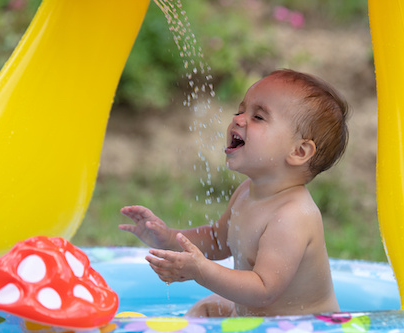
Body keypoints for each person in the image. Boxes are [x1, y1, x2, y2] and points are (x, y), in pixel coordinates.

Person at [119, 69, 349, 317]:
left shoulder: (293, 216)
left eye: (258, 117)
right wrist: (167, 238)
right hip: (259, 322)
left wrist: (201, 271)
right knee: (206, 308)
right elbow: (218, 240)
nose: (239, 120)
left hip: (306, 327)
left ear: (299, 152)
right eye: (240, 111)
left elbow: (264, 290)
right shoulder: (246, 193)